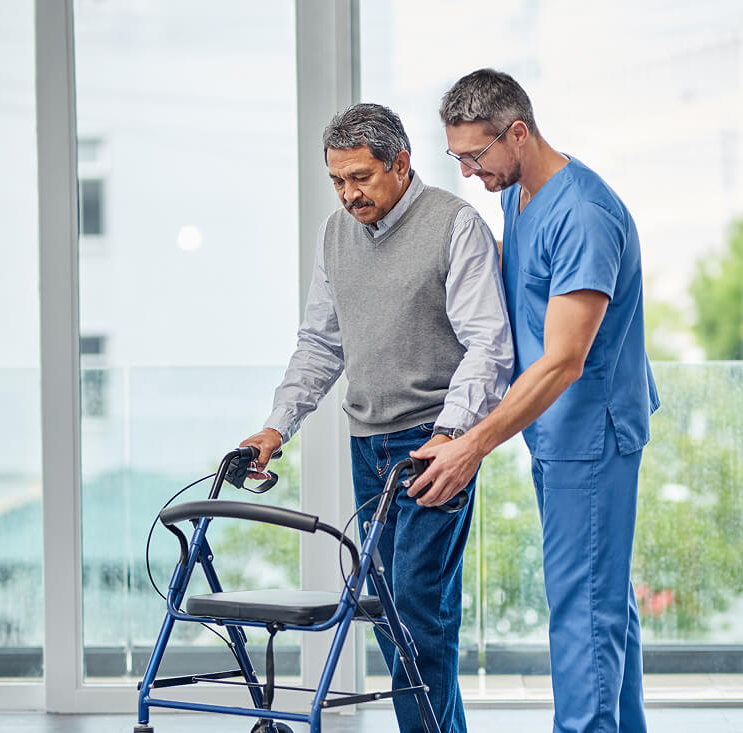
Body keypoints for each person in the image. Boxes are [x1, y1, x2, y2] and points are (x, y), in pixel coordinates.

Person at [240, 102, 513, 733]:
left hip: (432, 443)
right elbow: (320, 342)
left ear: (401, 163)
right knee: (392, 611)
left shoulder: (454, 225)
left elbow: (488, 344)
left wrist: (451, 435)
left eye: (360, 177)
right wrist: (276, 427)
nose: (348, 194)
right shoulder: (335, 234)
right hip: (367, 444)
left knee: (418, 610)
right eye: (337, 180)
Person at [411, 69, 659, 733]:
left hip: (590, 433)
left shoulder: (583, 215)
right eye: (457, 158)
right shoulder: (520, 195)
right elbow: (521, 281)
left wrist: (471, 445)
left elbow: (564, 359)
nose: (469, 173)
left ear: (517, 132)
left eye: (476, 156)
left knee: (583, 610)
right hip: (557, 435)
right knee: (602, 599)